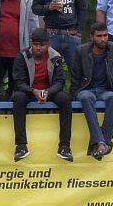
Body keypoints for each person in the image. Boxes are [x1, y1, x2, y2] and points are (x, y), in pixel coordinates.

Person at [11, 28, 72, 162]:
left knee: (65, 99)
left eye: (42, 45)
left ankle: (64, 147)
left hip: (49, 91)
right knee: (18, 98)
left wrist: (48, 92)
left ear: (48, 44)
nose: (38, 48)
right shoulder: (22, 56)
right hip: (28, 91)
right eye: (35, 44)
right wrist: (34, 91)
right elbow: (19, 82)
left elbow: (60, 81)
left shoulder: (55, 56)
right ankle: (21, 146)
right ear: (31, 44)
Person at [33, 0, 86, 88]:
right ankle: (49, 96)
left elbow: (82, 8)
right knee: (47, 71)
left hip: (71, 34)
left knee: (77, 72)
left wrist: (79, 31)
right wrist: (48, 7)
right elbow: (35, 8)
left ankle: (76, 97)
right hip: (51, 34)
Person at [73, 23, 113, 161]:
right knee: (85, 97)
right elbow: (75, 77)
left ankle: (101, 143)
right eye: (99, 36)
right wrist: (74, 95)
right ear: (91, 37)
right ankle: (102, 142)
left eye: (105, 35)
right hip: (86, 88)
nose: (103, 39)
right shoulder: (81, 51)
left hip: (106, 90)